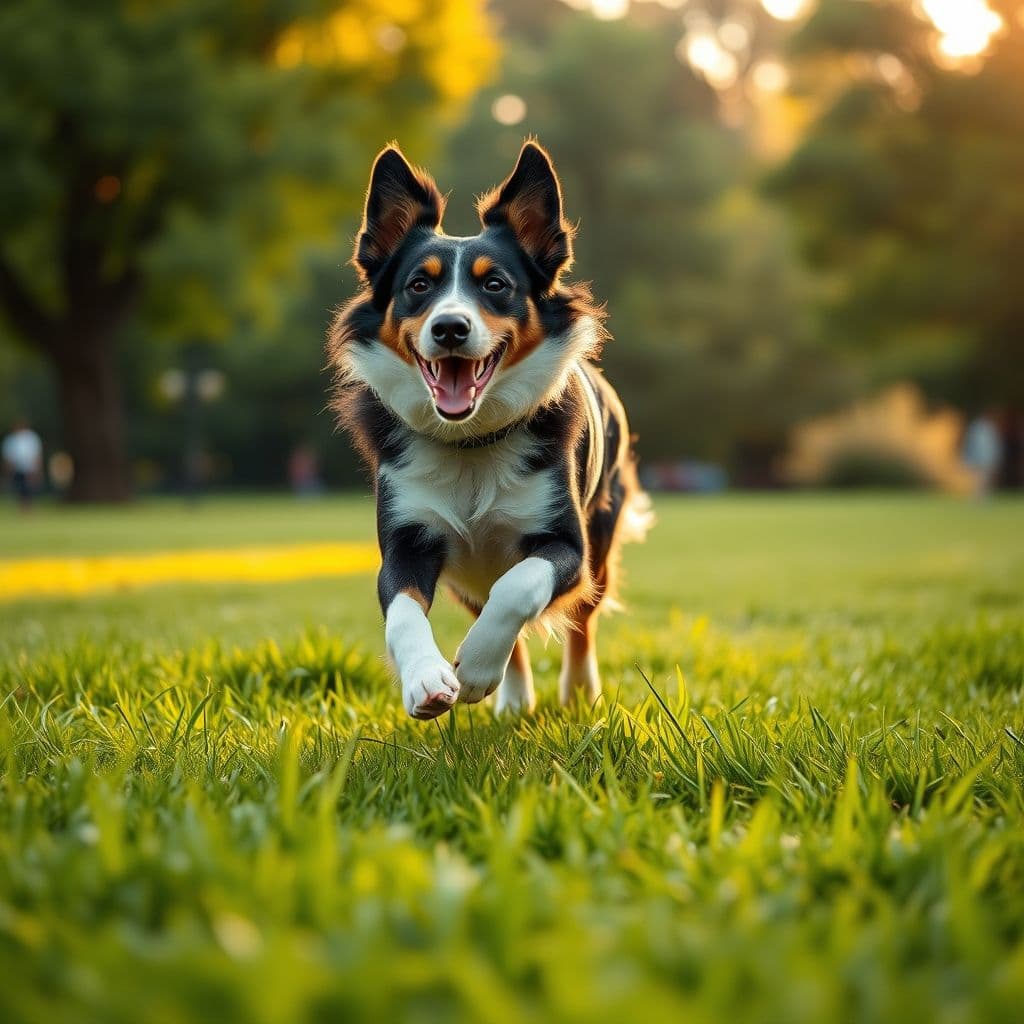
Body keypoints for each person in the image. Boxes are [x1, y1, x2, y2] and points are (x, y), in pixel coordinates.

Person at [2, 418, 44, 512]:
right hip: (17, 469)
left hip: (29, 468)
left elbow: (36, 455)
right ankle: (22, 508)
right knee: (20, 488)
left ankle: (28, 508)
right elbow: (7, 457)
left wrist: (37, 469)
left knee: (28, 488)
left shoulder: (31, 438)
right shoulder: (10, 440)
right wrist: (8, 470)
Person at [962, 411, 1003, 497]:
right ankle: (979, 496)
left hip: (986, 458)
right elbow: (971, 444)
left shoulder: (989, 427)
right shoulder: (978, 427)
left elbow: (994, 444)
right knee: (979, 479)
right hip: (980, 458)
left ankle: (982, 496)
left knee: (984, 479)